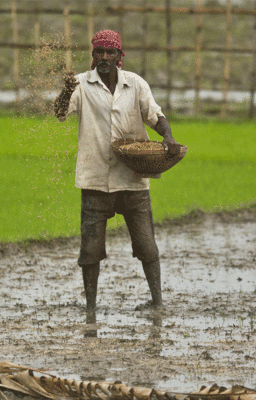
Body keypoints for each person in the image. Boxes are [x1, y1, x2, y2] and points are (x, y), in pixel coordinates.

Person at [54, 29, 181, 314]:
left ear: (119, 56)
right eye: (99, 52)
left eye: (110, 53)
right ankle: (90, 308)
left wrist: (168, 137)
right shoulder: (81, 85)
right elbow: (60, 112)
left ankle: (157, 302)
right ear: (93, 56)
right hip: (95, 178)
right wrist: (64, 90)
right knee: (90, 249)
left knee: (146, 244)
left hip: (133, 179)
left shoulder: (134, 84)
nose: (104, 57)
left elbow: (155, 116)